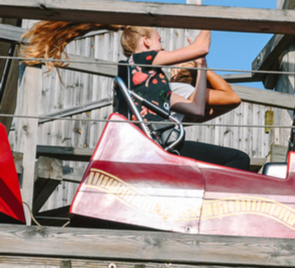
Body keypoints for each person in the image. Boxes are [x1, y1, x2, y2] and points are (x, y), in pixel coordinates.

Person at [22, 23, 249, 171]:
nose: (163, 47)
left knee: (236, 158)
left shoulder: (152, 85)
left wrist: (201, 67)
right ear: (146, 42)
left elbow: (197, 109)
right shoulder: (140, 60)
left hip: (163, 145)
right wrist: (208, 19)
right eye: (159, 40)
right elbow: (201, 47)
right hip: (160, 146)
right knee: (239, 159)